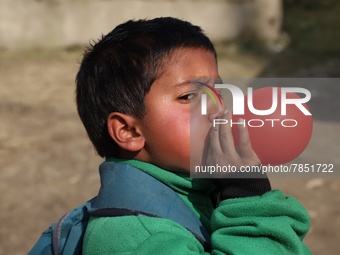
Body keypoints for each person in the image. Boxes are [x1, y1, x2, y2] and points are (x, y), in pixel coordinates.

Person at [74, 17, 311, 254]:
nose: (218, 109)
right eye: (189, 96)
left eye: (217, 92)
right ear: (129, 131)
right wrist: (248, 198)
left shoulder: (201, 193)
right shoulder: (133, 237)